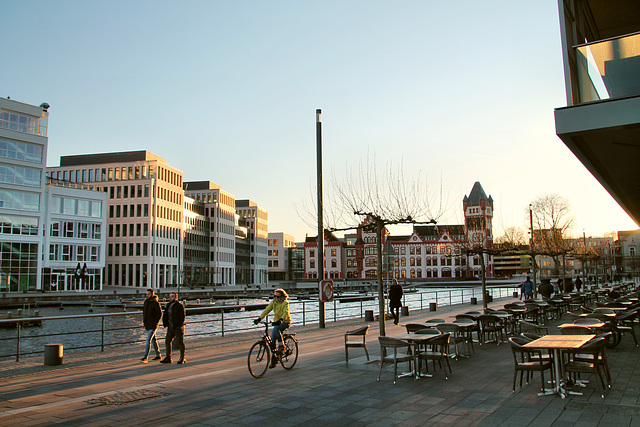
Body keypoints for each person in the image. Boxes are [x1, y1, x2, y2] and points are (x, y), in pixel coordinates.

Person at [254, 288, 291, 369]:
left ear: (282, 297)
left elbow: (286, 312)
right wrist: (259, 318)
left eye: (278, 297)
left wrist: (281, 320)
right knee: (272, 340)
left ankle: (282, 346)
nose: (276, 298)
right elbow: (267, 310)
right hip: (277, 322)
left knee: (276, 329)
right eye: (275, 296)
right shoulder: (274, 302)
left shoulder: (285, 303)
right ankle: (274, 360)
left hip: (285, 322)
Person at [161, 292, 186, 364]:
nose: (170, 298)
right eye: (170, 296)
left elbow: (182, 316)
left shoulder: (179, 306)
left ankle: (182, 357)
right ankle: (168, 357)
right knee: (167, 341)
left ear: (176, 298)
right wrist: (166, 324)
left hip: (178, 327)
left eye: (172, 296)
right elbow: (166, 315)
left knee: (180, 342)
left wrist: (179, 325)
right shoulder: (168, 305)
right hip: (170, 327)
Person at [140, 289, 163, 363]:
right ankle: (158, 354)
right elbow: (145, 313)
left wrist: (155, 322)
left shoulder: (155, 303)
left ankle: (145, 357)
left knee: (148, 340)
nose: (147, 295)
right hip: (147, 324)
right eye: (146, 294)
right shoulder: (146, 302)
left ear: (152, 295)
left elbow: (159, 314)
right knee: (153, 340)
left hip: (153, 325)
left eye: (148, 294)